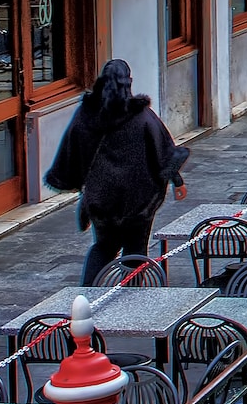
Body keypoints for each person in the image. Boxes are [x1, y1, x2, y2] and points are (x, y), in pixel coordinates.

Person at [45, 60, 190, 286]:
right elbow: (163, 152)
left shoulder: (86, 115)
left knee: (103, 247)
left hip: (101, 200)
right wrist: (177, 181)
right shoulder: (142, 117)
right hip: (138, 202)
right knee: (135, 250)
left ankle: (88, 297)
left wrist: (75, 183)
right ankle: (129, 302)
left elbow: (71, 151)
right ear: (128, 83)